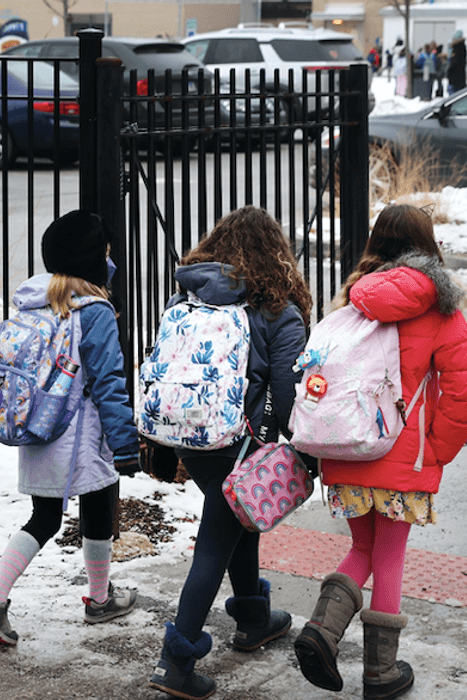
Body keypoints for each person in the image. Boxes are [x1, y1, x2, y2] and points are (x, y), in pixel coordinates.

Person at [293, 203, 467, 700]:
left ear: (377, 242)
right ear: (428, 245)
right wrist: (436, 449)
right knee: (390, 555)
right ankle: (380, 671)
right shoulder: (442, 308)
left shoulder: (354, 300)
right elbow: (464, 389)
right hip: (404, 456)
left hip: (348, 448)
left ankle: (321, 631)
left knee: (362, 547)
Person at [147, 206, 311, 700]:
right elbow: (287, 394)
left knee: (237, 515)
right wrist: (303, 446)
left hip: (193, 440)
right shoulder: (281, 313)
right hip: (241, 443)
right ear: (276, 255)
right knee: (215, 542)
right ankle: (174, 661)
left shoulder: (194, 300)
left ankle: (253, 619)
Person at [0, 210, 139, 647]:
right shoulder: (94, 312)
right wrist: (125, 445)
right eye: (104, 253)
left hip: (40, 430)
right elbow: (108, 384)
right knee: (98, 509)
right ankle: (99, 600)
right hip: (81, 436)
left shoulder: (37, 300)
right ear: (94, 261)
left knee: (44, 517)